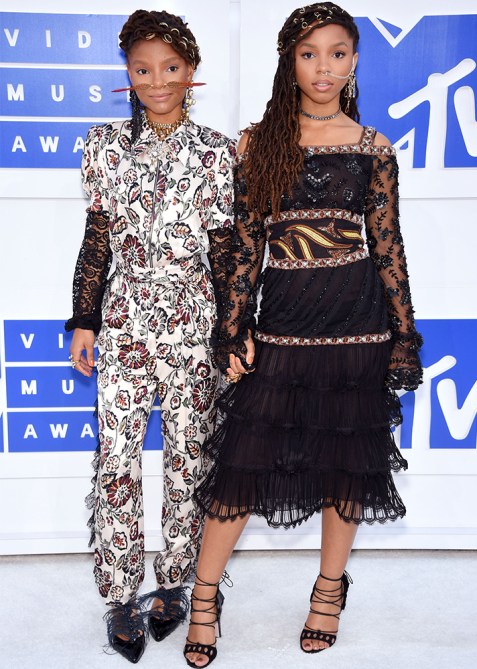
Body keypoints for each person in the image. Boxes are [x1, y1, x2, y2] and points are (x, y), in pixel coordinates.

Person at [182, 3, 423, 666]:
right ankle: (204, 595)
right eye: (309, 53)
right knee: (239, 469)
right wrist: (233, 328)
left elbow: (388, 246)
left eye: (337, 53)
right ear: (289, 62)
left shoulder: (373, 148)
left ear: (354, 61)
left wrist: (403, 334)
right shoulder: (257, 144)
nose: (323, 67)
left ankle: (328, 591)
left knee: (347, 467)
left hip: (357, 331)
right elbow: (245, 247)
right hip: (283, 329)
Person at [65, 9, 235, 664]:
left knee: (189, 456)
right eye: (142, 69)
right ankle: (119, 592)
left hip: (194, 321)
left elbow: (225, 252)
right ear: (128, 74)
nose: (157, 81)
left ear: (191, 71)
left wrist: (232, 331)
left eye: (170, 67)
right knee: (117, 457)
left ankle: (173, 584)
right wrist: (84, 319)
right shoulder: (104, 145)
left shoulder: (217, 151)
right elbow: (97, 242)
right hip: (125, 318)